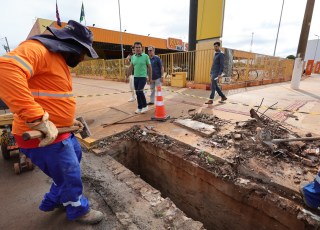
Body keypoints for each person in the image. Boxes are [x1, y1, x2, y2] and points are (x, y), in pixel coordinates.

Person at [0, 20, 103, 224]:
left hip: (60, 131)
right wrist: (37, 118)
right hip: (40, 133)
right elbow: (6, 71)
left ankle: (54, 199)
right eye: (82, 52)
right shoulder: (38, 49)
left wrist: (68, 119)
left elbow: (53, 96)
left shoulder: (58, 60)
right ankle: (77, 210)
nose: (82, 58)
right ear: (71, 44)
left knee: (75, 155)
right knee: (69, 172)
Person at [128, 42, 152, 114]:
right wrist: (127, 76)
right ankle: (139, 107)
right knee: (137, 92)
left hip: (143, 77)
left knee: (140, 91)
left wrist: (150, 78)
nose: (138, 49)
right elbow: (131, 67)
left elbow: (149, 67)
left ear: (142, 48)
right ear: (134, 48)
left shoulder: (145, 56)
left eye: (139, 47)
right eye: (136, 47)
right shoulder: (133, 57)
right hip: (136, 77)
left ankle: (145, 106)